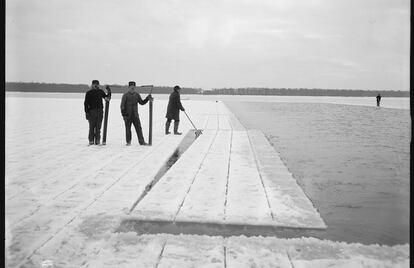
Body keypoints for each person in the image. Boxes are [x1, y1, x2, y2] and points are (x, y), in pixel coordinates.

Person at [120, 81, 152, 146]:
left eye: (133, 87)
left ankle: (142, 142)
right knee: (128, 129)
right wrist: (124, 114)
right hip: (127, 115)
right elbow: (122, 106)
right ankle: (128, 142)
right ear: (129, 87)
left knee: (139, 128)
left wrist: (147, 98)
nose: (132, 88)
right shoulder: (125, 95)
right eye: (131, 87)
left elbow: (142, 102)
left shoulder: (137, 95)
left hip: (135, 115)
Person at [84, 80, 110, 145]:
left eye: (97, 84)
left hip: (100, 111)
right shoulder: (89, 93)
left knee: (98, 127)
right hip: (91, 112)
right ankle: (91, 140)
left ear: (98, 85)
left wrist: (108, 92)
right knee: (92, 127)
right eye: (94, 84)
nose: (96, 85)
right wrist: (87, 112)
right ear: (92, 85)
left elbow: (106, 97)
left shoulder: (100, 91)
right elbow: (86, 103)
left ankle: (97, 140)